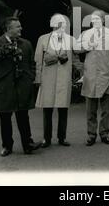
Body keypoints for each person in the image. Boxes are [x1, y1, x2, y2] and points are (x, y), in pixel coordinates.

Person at [0, 17, 41, 156]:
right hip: (4, 88)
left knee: (23, 116)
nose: (21, 28)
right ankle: (7, 146)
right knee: (5, 118)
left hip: (22, 86)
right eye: (17, 27)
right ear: (8, 29)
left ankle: (28, 144)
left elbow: (32, 64)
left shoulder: (26, 44)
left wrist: (30, 77)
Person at [76, 10, 109, 146]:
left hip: (106, 73)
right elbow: (76, 49)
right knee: (91, 108)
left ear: (103, 20)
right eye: (93, 19)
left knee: (106, 108)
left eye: (97, 18)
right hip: (90, 74)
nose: (95, 21)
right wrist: (87, 46)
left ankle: (104, 133)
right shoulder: (85, 34)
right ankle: (91, 134)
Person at [34, 14, 75, 148]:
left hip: (64, 78)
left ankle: (62, 138)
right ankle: (47, 138)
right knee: (47, 110)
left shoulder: (70, 39)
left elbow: (81, 48)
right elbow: (38, 60)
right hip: (48, 79)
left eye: (63, 23)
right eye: (59, 23)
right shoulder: (43, 39)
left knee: (63, 109)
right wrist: (38, 79)